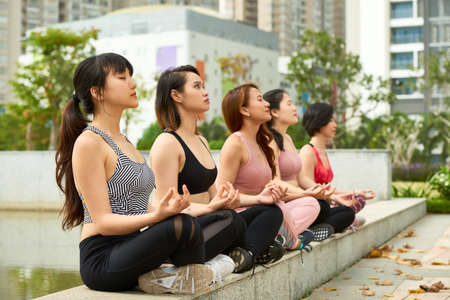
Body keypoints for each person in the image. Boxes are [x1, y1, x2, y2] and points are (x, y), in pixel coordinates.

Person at [55, 53, 215, 295]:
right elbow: (104, 223)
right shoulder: (89, 142)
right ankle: (196, 274)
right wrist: (158, 217)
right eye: (122, 77)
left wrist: (171, 209)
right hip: (103, 259)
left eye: (130, 76)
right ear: (98, 93)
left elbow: (140, 207)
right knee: (183, 226)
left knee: (202, 222)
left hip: (132, 245)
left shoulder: (125, 141)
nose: (133, 84)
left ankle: (180, 277)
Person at [150, 65, 246, 277]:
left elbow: (213, 193)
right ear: (176, 95)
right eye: (197, 86)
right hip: (182, 234)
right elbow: (166, 207)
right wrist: (213, 208)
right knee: (232, 220)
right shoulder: (167, 143)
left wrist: (226, 199)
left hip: (206, 223)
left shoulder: (201, 140)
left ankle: (238, 257)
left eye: (204, 86)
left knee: (263, 213)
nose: (205, 92)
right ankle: (233, 259)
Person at [217, 83, 287, 271]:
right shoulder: (235, 143)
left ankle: (251, 253)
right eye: (259, 99)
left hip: (259, 215)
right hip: (238, 219)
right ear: (244, 110)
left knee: (277, 209)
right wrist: (259, 199)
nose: (266, 104)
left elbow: (267, 188)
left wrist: (274, 192)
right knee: (272, 212)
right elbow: (222, 196)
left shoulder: (262, 143)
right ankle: (248, 254)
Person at [263, 89, 332, 246]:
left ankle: (302, 233)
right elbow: (275, 181)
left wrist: (324, 193)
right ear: (274, 112)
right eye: (289, 103)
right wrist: (305, 194)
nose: (294, 108)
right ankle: (284, 236)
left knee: (334, 209)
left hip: (299, 197)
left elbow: (301, 177)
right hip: (287, 201)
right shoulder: (270, 140)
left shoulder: (287, 138)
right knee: (321, 207)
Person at [299, 102, 376, 238]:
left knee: (358, 200)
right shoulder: (308, 151)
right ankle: (320, 228)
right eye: (330, 121)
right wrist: (334, 199)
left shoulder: (322, 151)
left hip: (328, 201)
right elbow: (308, 189)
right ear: (319, 120)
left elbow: (327, 188)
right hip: (316, 206)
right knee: (347, 214)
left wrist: (355, 192)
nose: (335, 125)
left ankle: (331, 226)